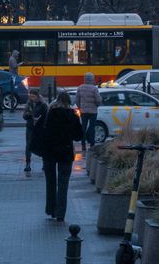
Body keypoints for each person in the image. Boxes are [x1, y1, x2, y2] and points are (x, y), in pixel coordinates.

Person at [31, 91, 83, 222]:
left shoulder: (49, 113)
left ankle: (51, 209)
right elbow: (78, 136)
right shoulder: (72, 115)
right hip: (65, 153)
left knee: (50, 181)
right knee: (63, 183)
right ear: (68, 102)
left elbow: (38, 130)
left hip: (49, 153)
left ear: (57, 100)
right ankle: (60, 213)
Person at [22, 89, 47, 173]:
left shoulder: (43, 104)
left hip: (40, 128)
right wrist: (29, 115)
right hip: (30, 127)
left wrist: (39, 118)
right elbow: (24, 116)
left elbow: (46, 115)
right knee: (28, 145)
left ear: (37, 96)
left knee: (42, 145)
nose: (32, 98)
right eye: (30, 96)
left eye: (33, 96)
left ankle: (45, 163)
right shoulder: (29, 104)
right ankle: (28, 164)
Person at [75, 72, 101, 151]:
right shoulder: (94, 88)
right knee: (92, 127)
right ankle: (91, 143)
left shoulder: (80, 87)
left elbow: (77, 100)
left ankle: (83, 144)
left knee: (83, 127)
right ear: (92, 79)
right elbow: (98, 100)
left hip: (83, 111)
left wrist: (80, 107)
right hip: (93, 111)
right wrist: (97, 105)